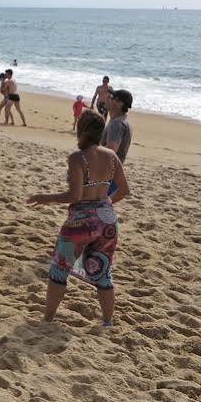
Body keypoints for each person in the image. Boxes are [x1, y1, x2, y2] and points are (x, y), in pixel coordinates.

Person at [27, 110, 130, 326]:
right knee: (103, 271)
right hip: (107, 220)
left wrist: (45, 198)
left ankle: (48, 318)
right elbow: (123, 190)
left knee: (60, 268)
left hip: (81, 221)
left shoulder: (77, 158)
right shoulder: (111, 157)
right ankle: (108, 322)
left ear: (81, 130)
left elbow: (75, 196)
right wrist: (106, 202)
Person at [103, 89, 133, 196]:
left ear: (120, 103)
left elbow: (110, 152)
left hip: (106, 177)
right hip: (110, 176)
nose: (106, 98)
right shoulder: (120, 121)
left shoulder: (117, 124)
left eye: (111, 97)